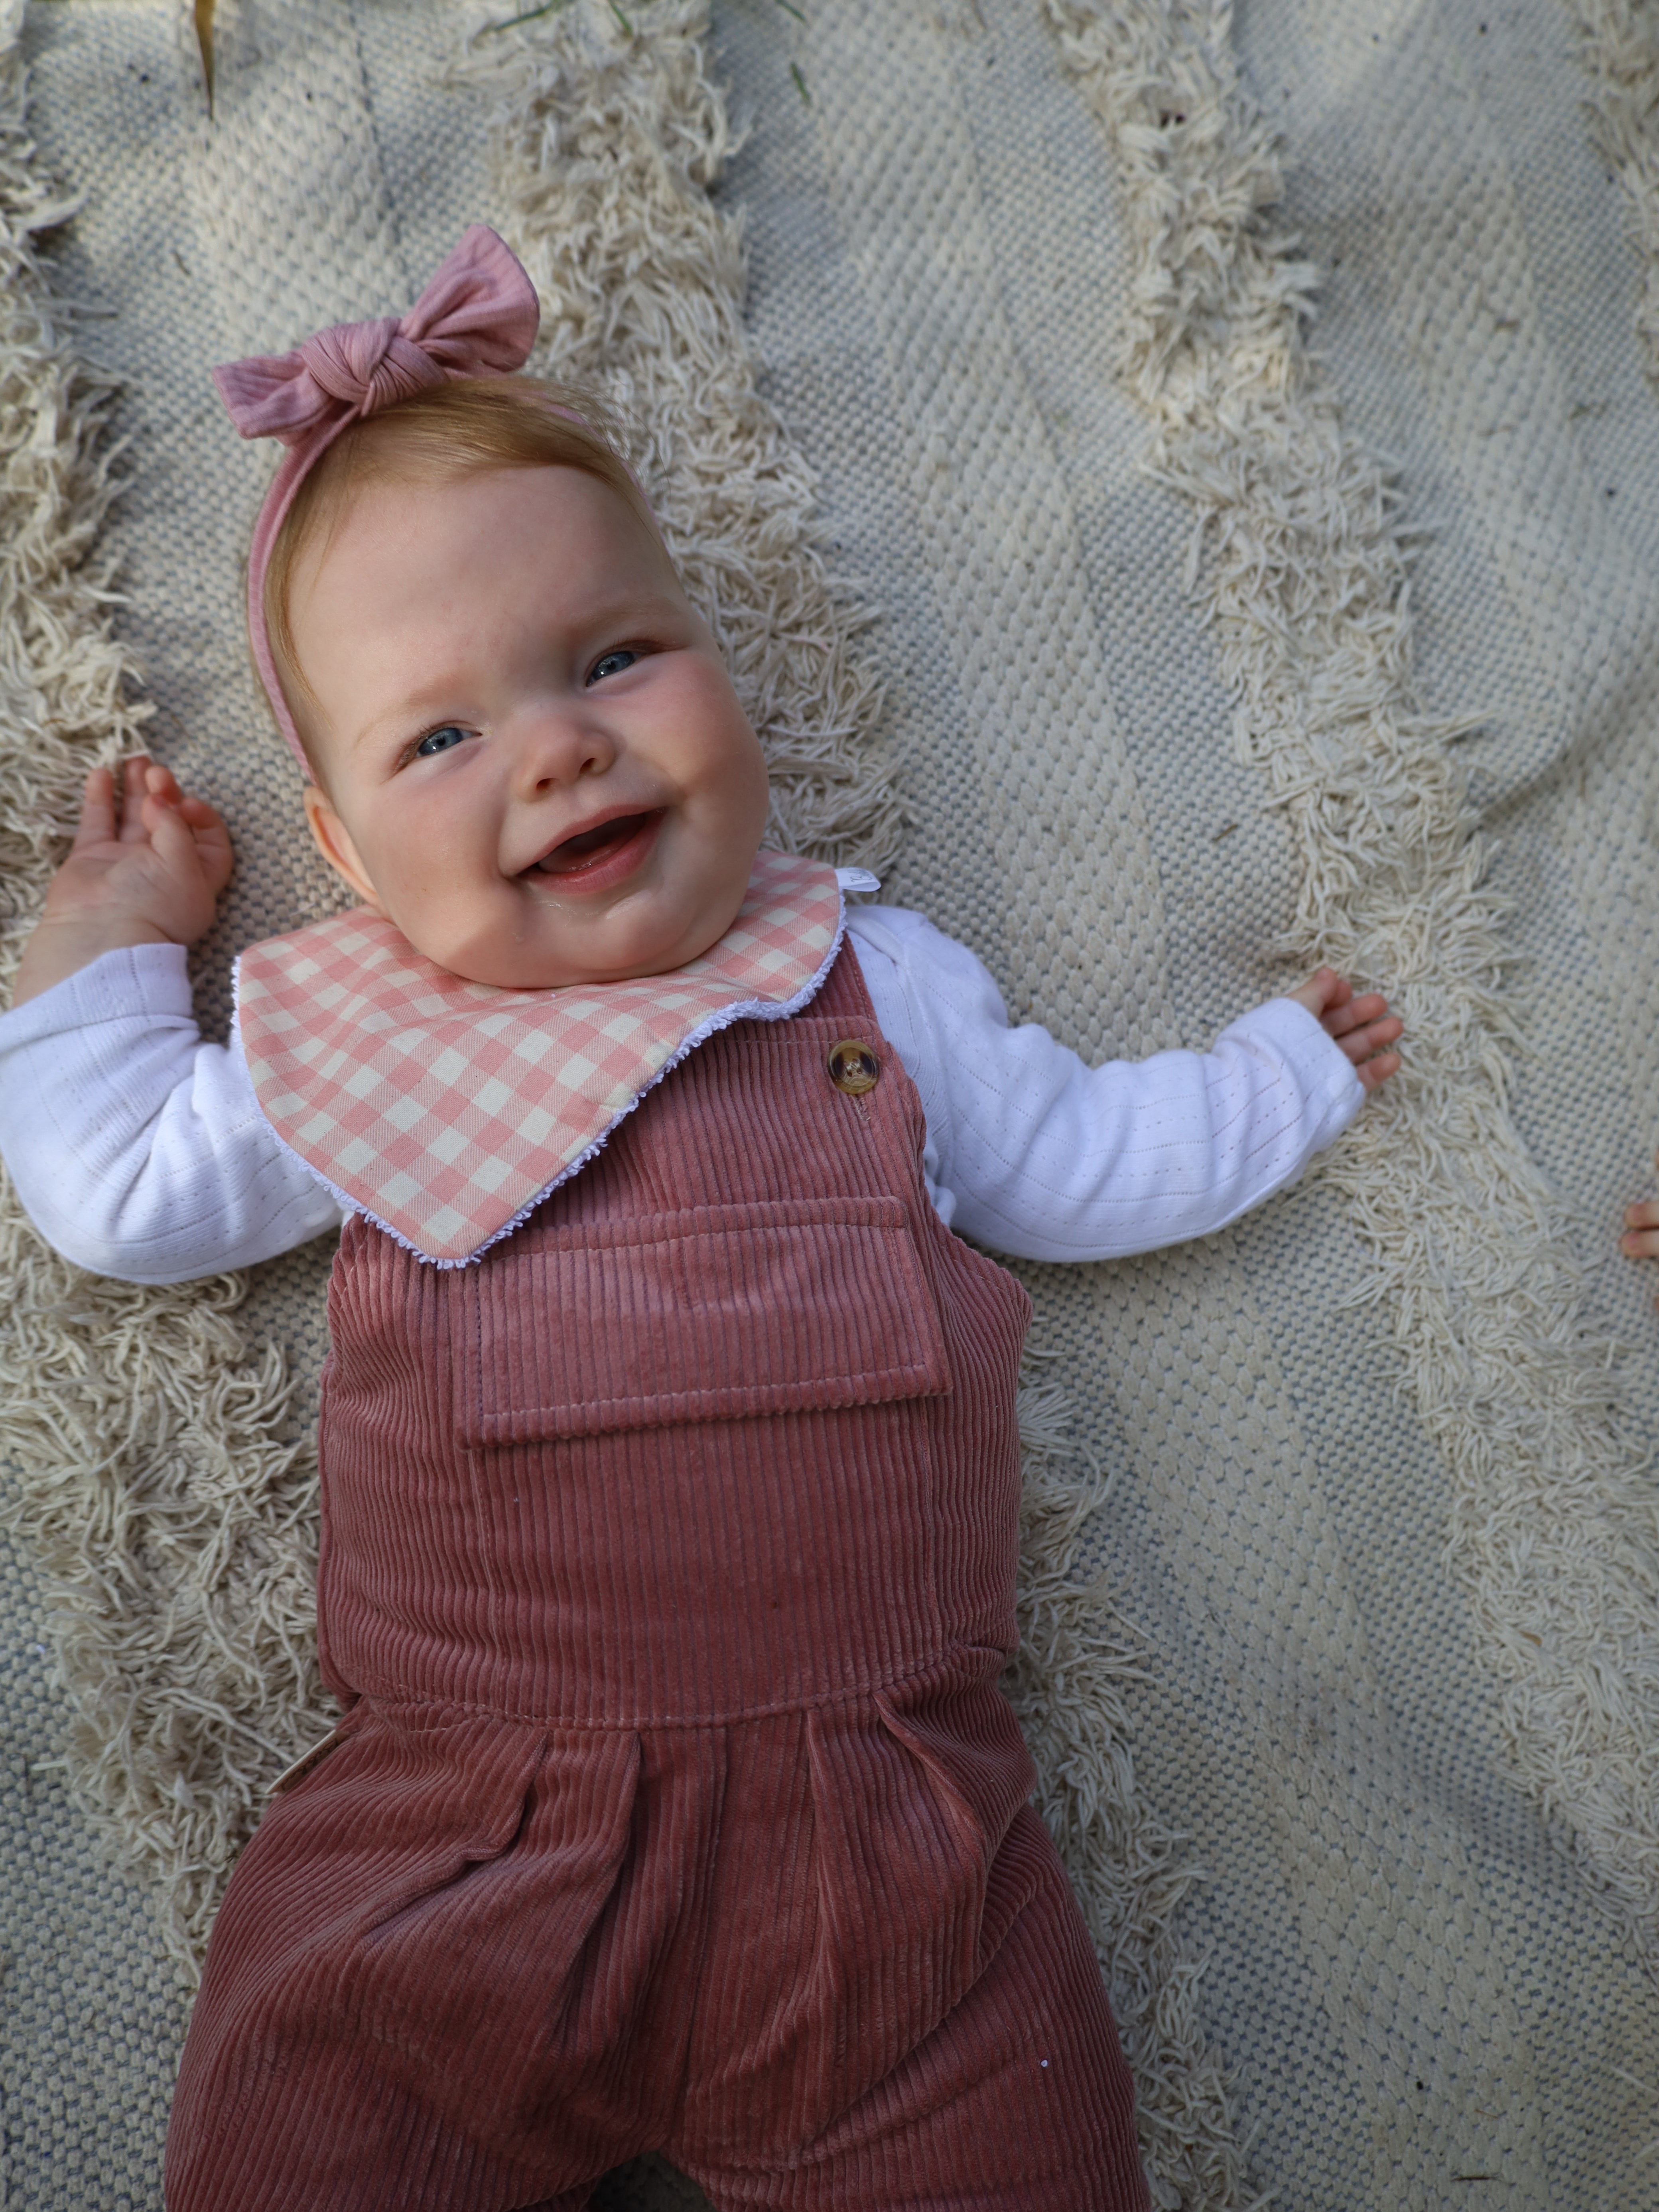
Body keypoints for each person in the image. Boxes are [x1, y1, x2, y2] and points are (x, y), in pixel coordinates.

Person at [0, 229, 1402, 2212]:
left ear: (718, 661)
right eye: (438, 737)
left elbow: (1073, 1163)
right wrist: (112, 943)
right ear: (339, 854)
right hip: (452, 1853)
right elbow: (116, 1191)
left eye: (611, 657)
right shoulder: (365, 1043)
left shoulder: (862, 973)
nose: (559, 747)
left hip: (895, 1864)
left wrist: (1279, 1076)